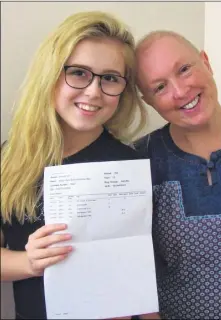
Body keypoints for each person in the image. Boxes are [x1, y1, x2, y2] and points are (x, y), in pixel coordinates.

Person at [1, 11, 150, 319]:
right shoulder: (10, 160)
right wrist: (28, 262)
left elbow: (143, 272)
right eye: (79, 72)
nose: (94, 91)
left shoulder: (130, 166)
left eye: (110, 78)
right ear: (51, 74)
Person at [134, 30, 221, 319]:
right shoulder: (138, 161)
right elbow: (131, 268)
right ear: (147, 100)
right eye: (159, 87)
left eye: (184, 69)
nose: (179, 91)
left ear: (206, 62)